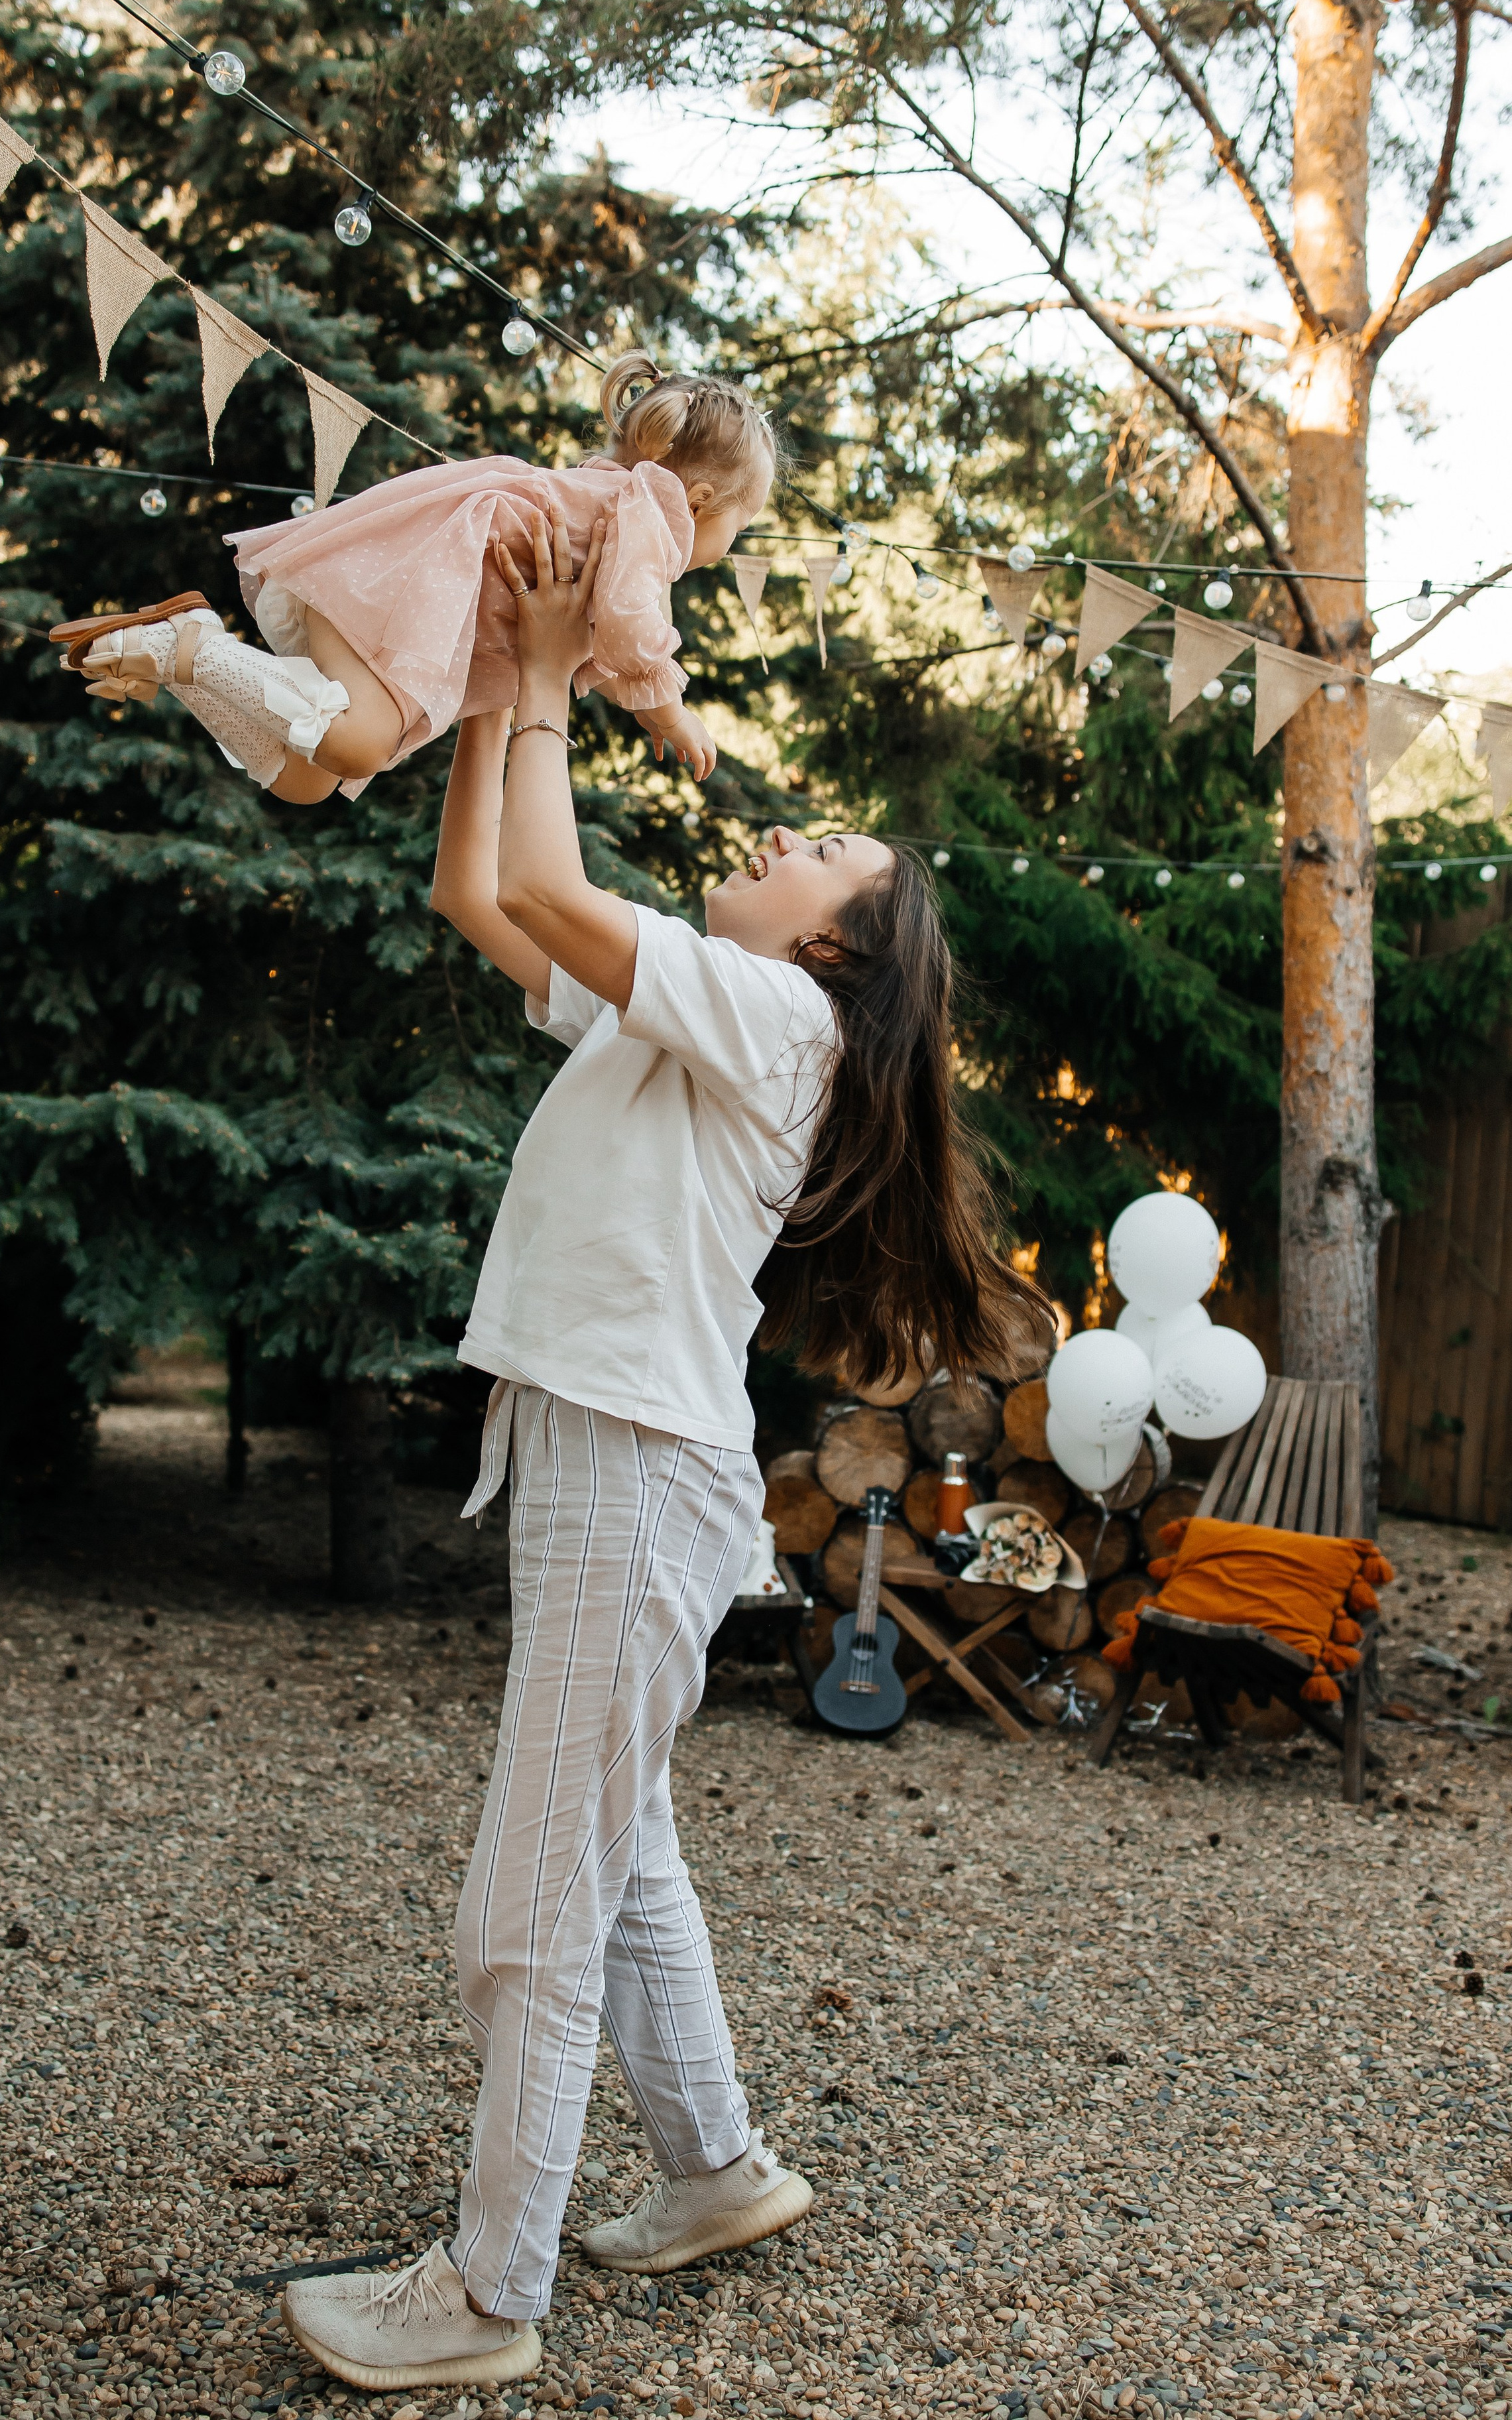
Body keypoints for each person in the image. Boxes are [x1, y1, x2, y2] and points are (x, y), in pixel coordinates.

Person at [274, 507, 1048, 2395]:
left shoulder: (777, 1021)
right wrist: (479, 687)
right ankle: (713, 2168)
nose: (775, 841)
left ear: (843, 951)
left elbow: (549, 866)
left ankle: (485, 2292)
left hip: (636, 1469)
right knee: (617, 1862)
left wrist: (542, 678)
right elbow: (494, 895)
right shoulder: (691, 1020)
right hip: (616, 1457)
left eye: (819, 857)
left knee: (528, 1898)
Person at [44, 351, 770, 798]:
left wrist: (619, 687)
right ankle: (188, 645)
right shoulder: (651, 508)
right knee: (355, 743)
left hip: (399, 600)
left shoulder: (602, 502)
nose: (727, 543)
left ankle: (192, 656)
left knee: (305, 781)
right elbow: (628, 622)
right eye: (739, 525)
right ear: (700, 500)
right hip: (404, 602)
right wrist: (668, 707)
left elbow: (595, 642)